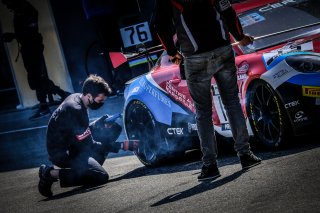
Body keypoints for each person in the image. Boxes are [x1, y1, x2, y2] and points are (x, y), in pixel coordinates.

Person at [154, 0, 261, 181]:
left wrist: (172, 52)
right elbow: (228, 11)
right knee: (232, 102)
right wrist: (239, 36)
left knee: (203, 111)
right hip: (222, 49)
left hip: (194, 56)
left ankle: (210, 165)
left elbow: (160, 25)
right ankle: (245, 155)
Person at [38, 74, 139, 197]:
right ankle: (49, 173)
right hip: (62, 154)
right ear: (89, 96)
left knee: (113, 128)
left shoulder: (77, 97)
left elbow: (77, 130)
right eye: (100, 101)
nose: (101, 103)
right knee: (100, 176)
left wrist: (97, 124)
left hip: (72, 142)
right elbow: (90, 145)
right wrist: (122, 145)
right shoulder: (75, 110)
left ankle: (88, 169)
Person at [2, 0, 71, 120]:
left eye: (7, 2)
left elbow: (30, 31)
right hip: (28, 46)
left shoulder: (26, 9)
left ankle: (59, 96)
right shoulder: (19, 10)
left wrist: (13, 36)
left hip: (32, 46)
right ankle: (52, 100)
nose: (7, 5)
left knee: (37, 78)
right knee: (36, 78)